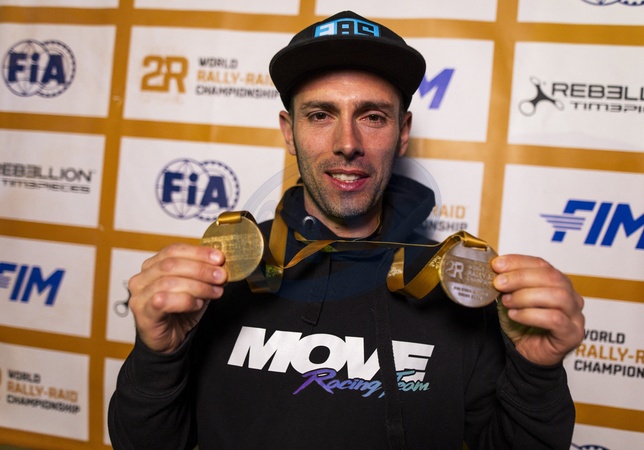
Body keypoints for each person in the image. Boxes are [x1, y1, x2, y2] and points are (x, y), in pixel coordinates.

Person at [108, 11, 585, 450]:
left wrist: (535, 371)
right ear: (288, 130)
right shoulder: (220, 276)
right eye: (321, 115)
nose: (347, 144)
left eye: (372, 117)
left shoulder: (457, 288)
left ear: (402, 132)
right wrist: (158, 355)